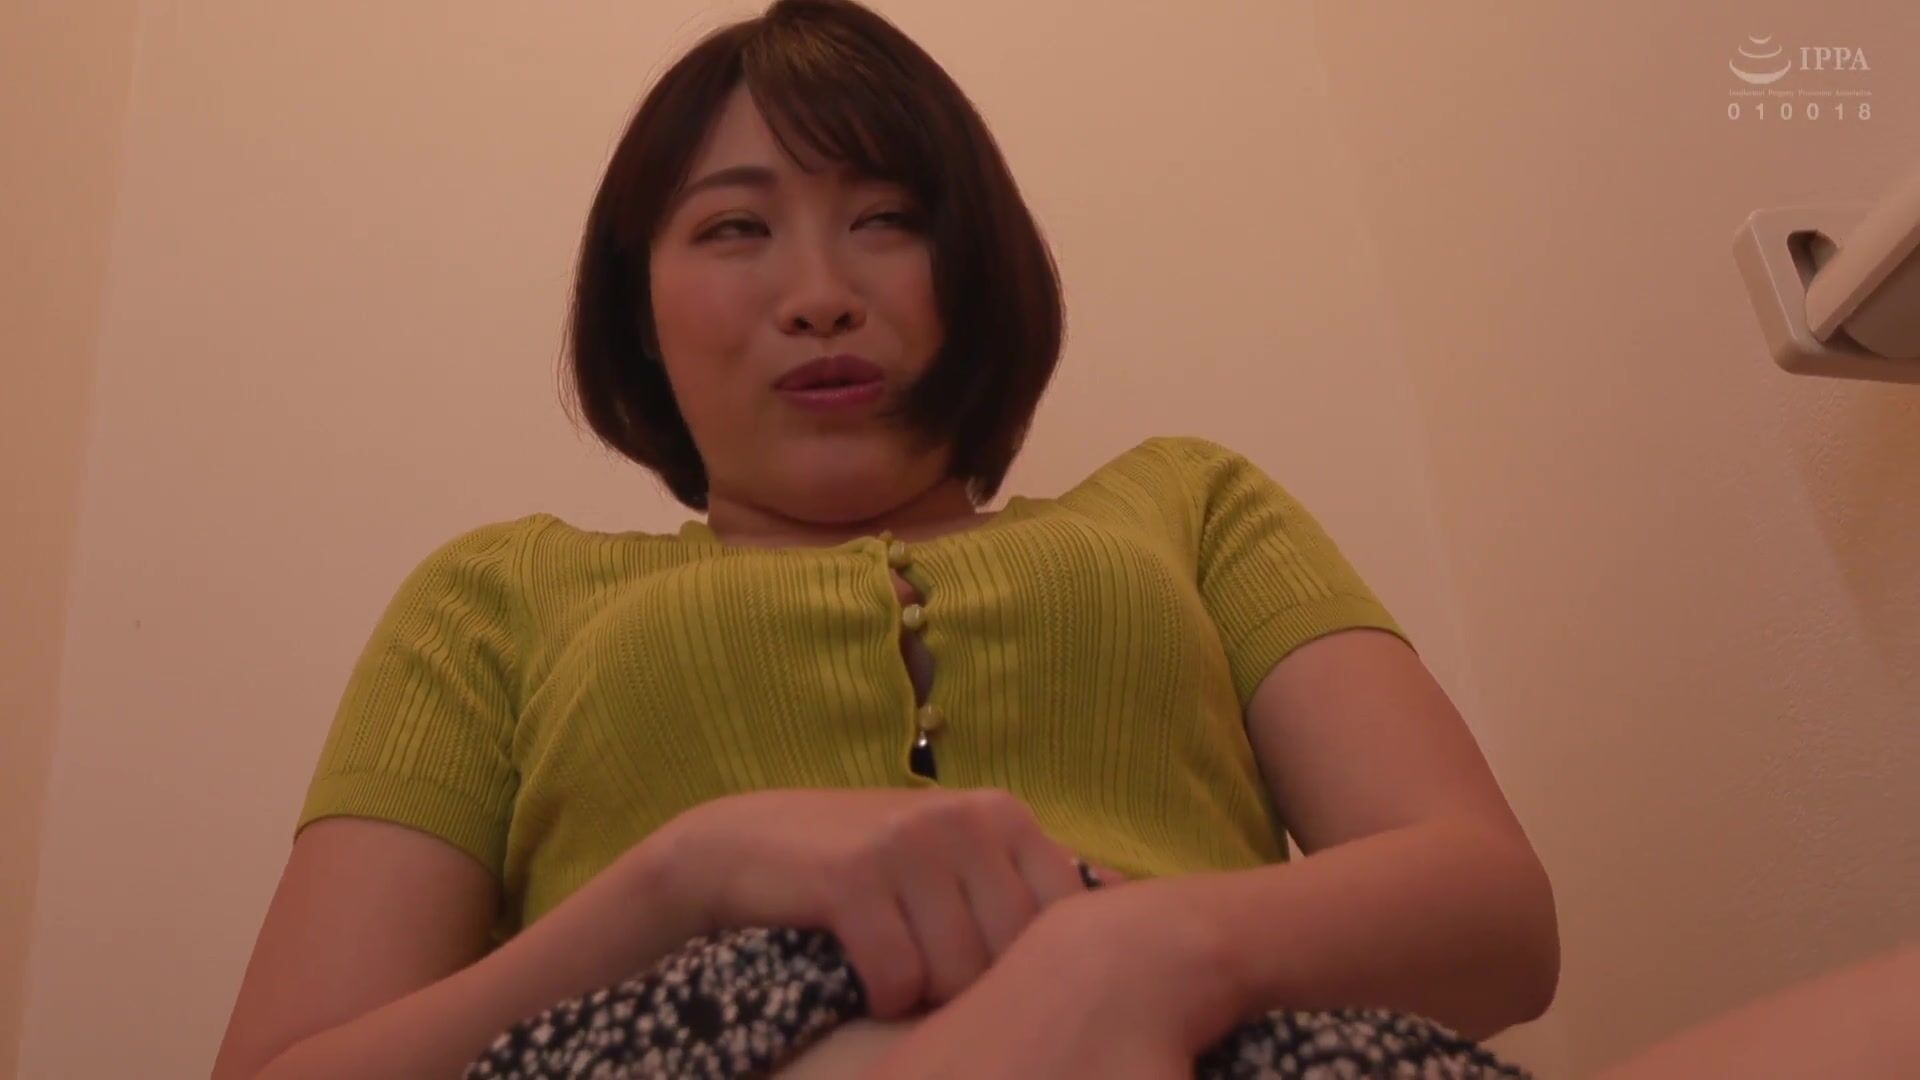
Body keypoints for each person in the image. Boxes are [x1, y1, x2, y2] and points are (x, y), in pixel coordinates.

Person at [212, 1, 1558, 1076]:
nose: (818, 294)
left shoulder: (1191, 504)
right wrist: (685, 882)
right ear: (640, 315)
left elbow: (1493, 912)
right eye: (734, 227)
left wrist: (1133, 953)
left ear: (977, 271)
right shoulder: (496, 595)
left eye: (889, 219)